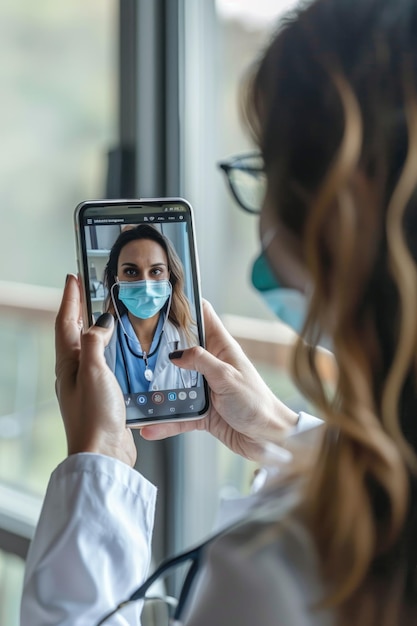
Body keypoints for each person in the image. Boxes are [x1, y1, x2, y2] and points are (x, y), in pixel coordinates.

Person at [20, 0, 417, 624]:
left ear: (334, 210)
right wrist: (283, 434)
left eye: (263, 170)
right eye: (130, 272)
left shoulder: (279, 568)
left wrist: (96, 461)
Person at [103, 224, 199, 392]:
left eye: (155, 271)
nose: (146, 285)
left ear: (169, 274)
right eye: (131, 272)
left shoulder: (193, 339)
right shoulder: (101, 346)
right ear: (116, 278)